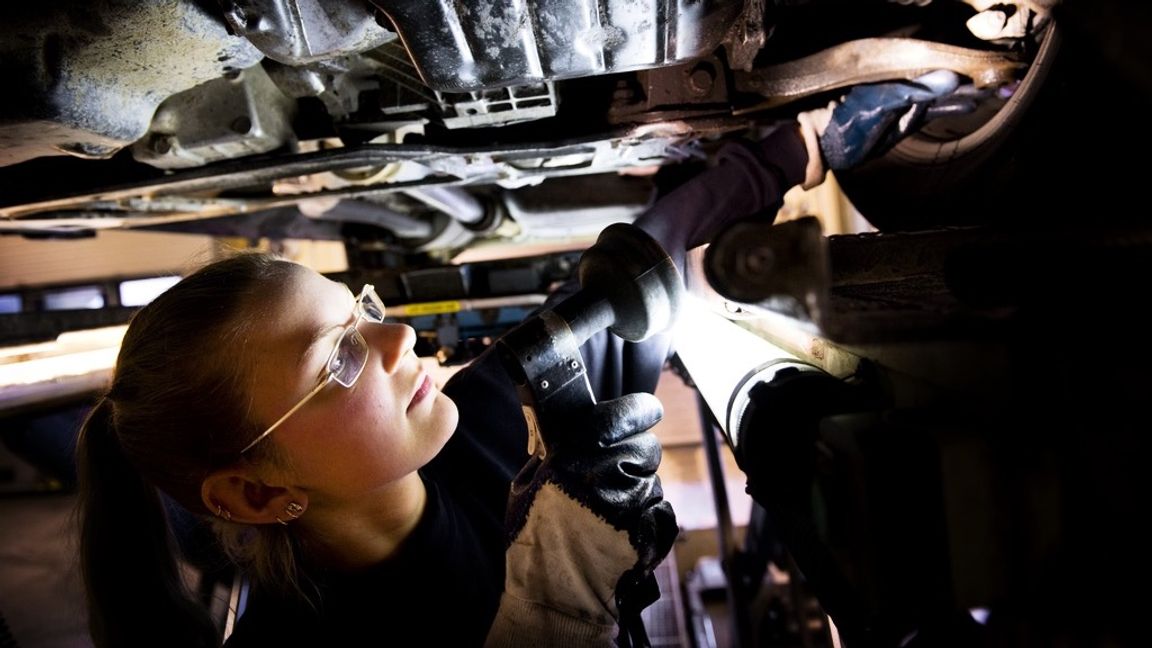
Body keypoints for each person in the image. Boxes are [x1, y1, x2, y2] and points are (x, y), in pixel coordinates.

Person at [73, 72, 963, 647]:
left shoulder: (490, 409)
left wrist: (798, 149)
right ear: (257, 493)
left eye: (364, 313)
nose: (398, 341)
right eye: (337, 358)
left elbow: (638, 267)